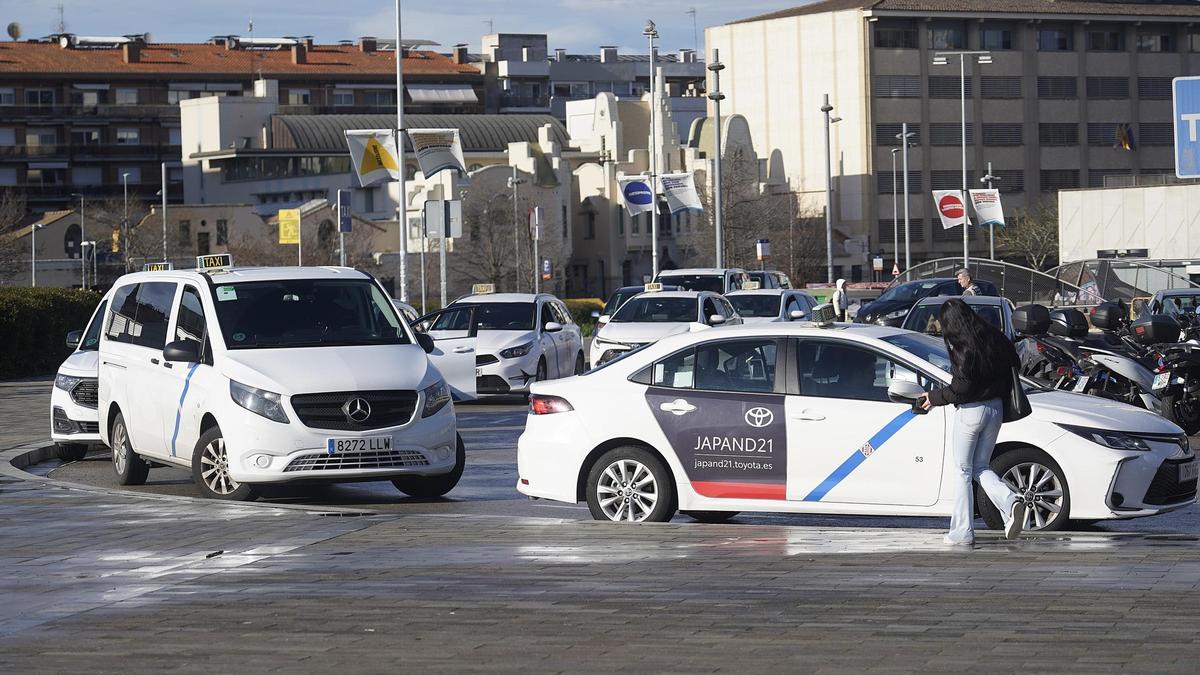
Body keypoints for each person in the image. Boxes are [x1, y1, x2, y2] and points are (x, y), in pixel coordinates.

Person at [917, 299, 1026, 545]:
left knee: (963, 471)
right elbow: (1016, 362)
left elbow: (961, 389)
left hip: (971, 413)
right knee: (980, 467)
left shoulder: (963, 346)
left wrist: (934, 397)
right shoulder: (994, 337)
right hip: (996, 409)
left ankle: (962, 532)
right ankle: (1010, 500)